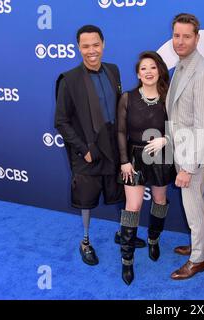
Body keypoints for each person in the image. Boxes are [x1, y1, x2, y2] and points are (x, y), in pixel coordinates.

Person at [54, 25, 124, 266]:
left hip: (114, 147)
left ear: (103, 44)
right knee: (86, 199)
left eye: (95, 45)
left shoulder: (114, 71)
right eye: (85, 46)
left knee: (121, 192)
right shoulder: (69, 80)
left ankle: (123, 233)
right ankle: (85, 241)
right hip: (88, 151)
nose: (91, 50)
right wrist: (83, 150)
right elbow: (61, 122)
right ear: (78, 48)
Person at [116, 51, 176, 285]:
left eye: (153, 67)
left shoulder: (168, 97)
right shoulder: (127, 97)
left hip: (161, 155)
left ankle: (153, 238)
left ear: (159, 70)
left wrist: (167, 139)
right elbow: (120, 131)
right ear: (138, 74)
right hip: (133, 157)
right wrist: (124, 160)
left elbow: (180, 125)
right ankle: (127, 259)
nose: (149, 72)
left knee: (160, 200)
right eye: (144, 68)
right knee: (133, 206)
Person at [166, 13, 204, 280]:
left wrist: (187, 167)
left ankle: (197, 259)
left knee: (192, 204)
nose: (181, 41)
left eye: (187, 36)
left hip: (192, 153)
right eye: (177, 35)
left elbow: (203, 125)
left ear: (197, 38)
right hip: (181, 147)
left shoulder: (203, 73)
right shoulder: (182, 65)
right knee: (197, 200)